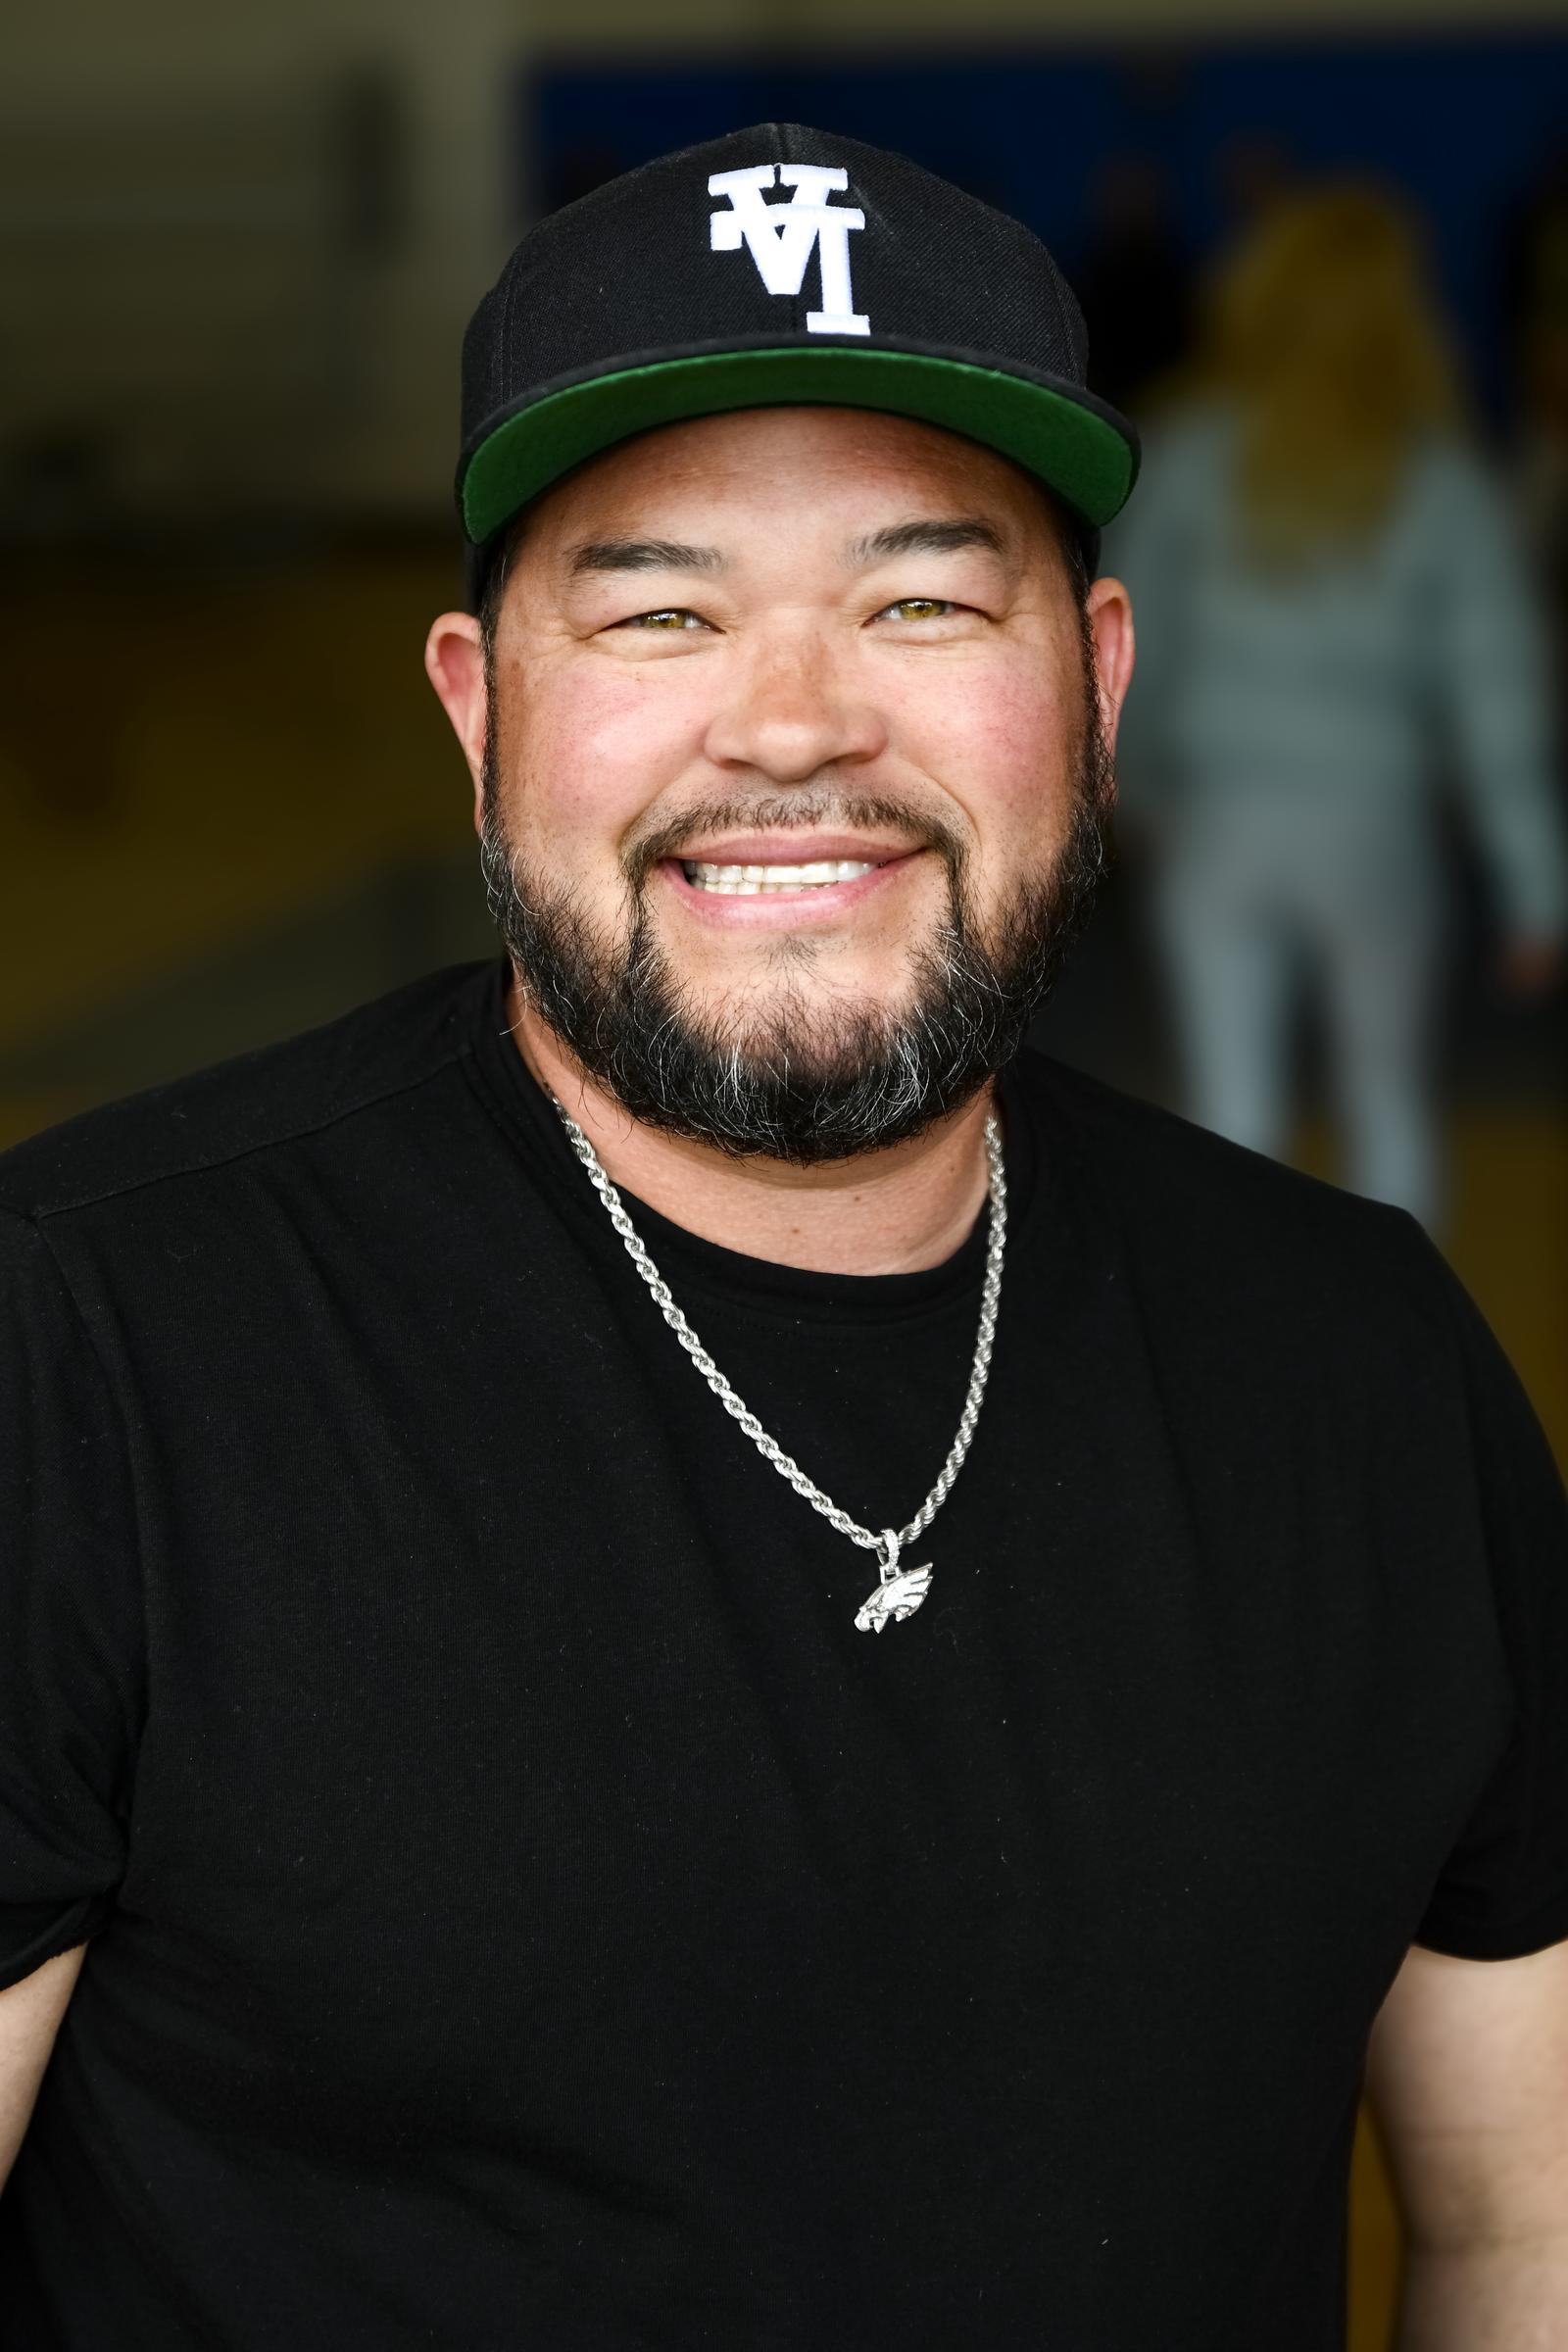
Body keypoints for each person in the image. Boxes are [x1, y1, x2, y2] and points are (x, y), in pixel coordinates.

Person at [0, 124, 1564, 2352]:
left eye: (922, 597)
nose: (796, 719)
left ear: (1098, 686)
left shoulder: (1365, 1366)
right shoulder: (81, 1344)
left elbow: (1520, 2228)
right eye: (656, 608)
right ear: (477, 706)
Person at [1107, 181, 1568, 1234]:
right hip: (1376, 828)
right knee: (1387, 1101)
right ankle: (1401, 1377)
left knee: (1228, 1116)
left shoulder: (1188, 455)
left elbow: (1138, 640)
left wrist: (1129, 788)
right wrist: (1535, 883)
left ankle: (1228, 1374)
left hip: (1218, 824)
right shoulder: (1441, 479)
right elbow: (1496, 691)